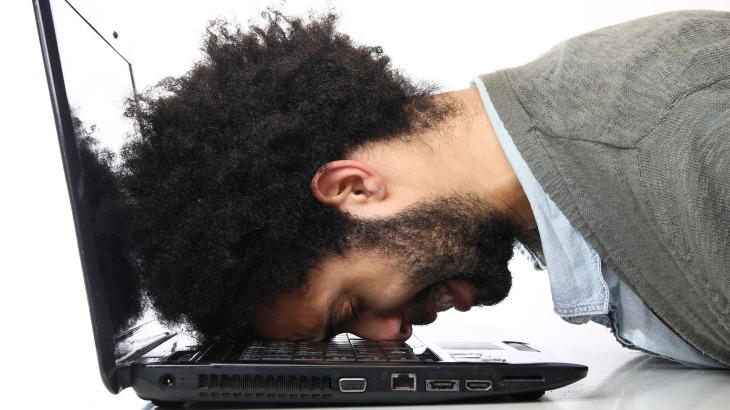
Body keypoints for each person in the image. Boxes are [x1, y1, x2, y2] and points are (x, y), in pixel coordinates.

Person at [110, 9, 729, 368]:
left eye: (352, 308)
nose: (390, 337)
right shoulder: (576, 143)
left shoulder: (685, 149)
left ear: (353, 187)